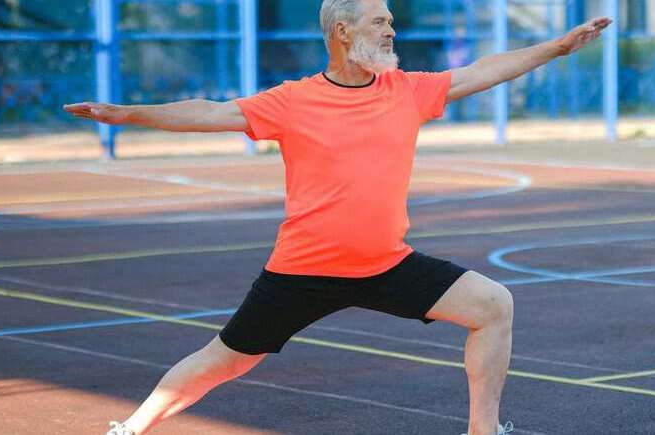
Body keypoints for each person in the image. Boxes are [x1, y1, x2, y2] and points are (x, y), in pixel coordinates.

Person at [65, 1, 610, 434]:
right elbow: (210, 112)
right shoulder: (293, 100)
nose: (392, 29)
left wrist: (559, 47)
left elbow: (482, 71)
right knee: (224, 361)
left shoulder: (407, 91)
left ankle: (482, 431)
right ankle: (131, 428)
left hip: (385, 265)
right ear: (344, 32)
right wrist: (122, 114)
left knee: (493, 305)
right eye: (380, 21)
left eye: (392, 20)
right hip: (302, 272)